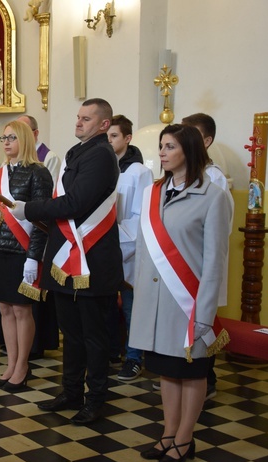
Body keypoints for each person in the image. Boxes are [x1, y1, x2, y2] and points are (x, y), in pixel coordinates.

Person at [11, 98, 123, 425]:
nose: (78, 122)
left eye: (86, 118)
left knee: (94, 336)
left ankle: (96, 398)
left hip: (92, 259)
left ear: (104, 124)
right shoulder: (78, 152)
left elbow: (75, 203)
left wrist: (29, 209)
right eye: (78, 116)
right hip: (67, 258)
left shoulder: (101, 156)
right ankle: (71, 391)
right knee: (71, 333)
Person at [130, 124, 231, 462]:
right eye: (161, 146)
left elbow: (215, 260)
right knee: (167, 372)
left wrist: (204, 312)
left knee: (192, 372)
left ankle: (186, 438)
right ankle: (168, 433)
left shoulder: (213, 196)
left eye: (169, 146)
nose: (161, 152)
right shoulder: (154, 192)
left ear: (188, 149)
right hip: (156, 302)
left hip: (188, 303)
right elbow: (145, 251)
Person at [0, 119, 52, 392]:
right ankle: (11, 363)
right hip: (1, 251)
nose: (6, 143)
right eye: (3, 138)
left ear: (24, 139)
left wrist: (33, 257)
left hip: (23, 252)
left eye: (12, 137)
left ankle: (23, 366)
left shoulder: (38, 173)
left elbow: (41, 220)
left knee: (21, 310)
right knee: (4, 308)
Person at [180, 112, 234, 401]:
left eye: (192, 134)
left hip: (200, 264)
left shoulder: (213, 178)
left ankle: (206, 378)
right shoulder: (183, 173)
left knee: (203, 321)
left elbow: (218, 226)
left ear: (207, 140)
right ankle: (181, 372)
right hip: (181, 263)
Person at [107, 114, 154, 382]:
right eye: (107, 136)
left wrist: (114, 240)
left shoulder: (139, 172)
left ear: (127, 138)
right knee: (107, 307)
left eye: (114, 136)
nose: (109, 140)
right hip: (103, 249)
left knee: (131, 307)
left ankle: (134, 357)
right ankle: (113, 350)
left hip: (127, 249)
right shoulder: (101, 166)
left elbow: (140, 217)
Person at [17, 115, 61, 182]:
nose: (19, 135)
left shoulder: (50, 158)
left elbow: (52, 188)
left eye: (24, 131)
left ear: (35, 133)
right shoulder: (13, 156)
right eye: (17, 132)